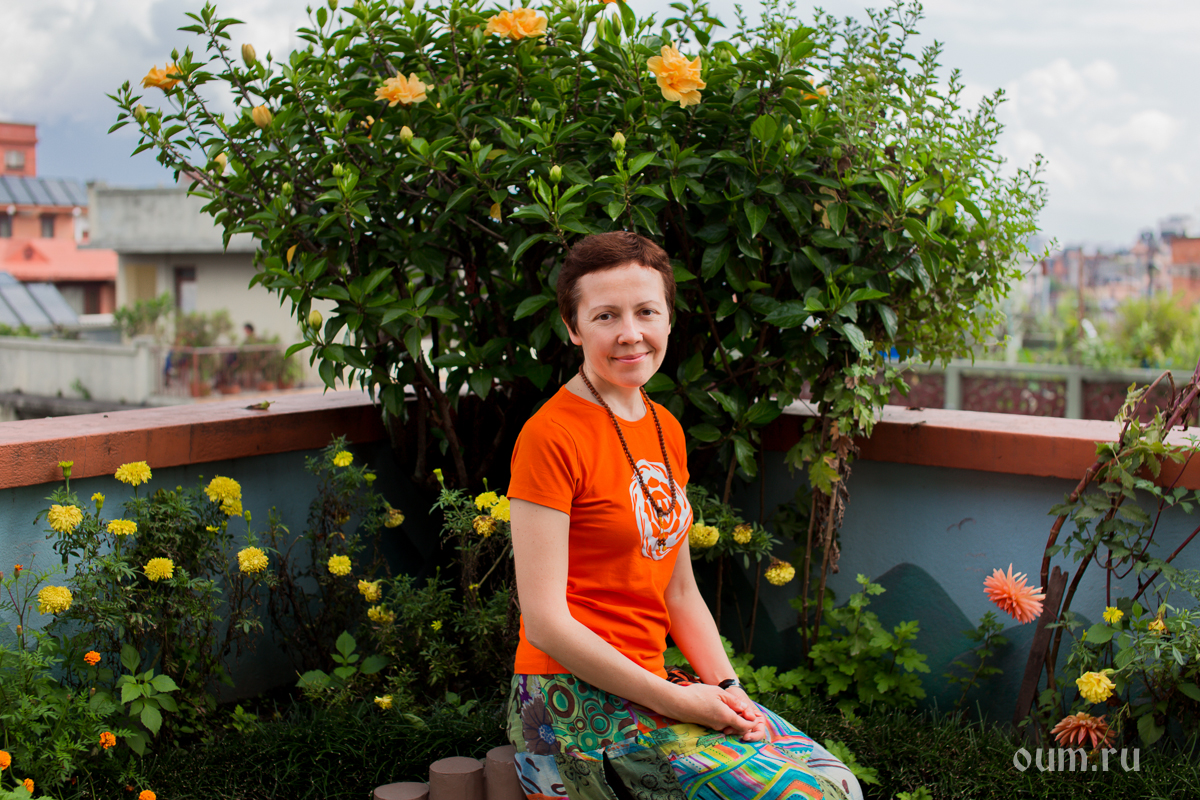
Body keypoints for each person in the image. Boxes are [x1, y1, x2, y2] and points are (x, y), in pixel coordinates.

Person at [505, 232, 863, 800]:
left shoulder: (664, 427)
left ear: (669, 319)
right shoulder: (550, 436)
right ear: (573, 327)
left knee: (839, 782)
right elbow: (546, 622)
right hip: (567, 706)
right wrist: (679, 700)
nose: (630, 333)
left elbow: (678, 591)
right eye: (605, 315)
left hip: (651, 685)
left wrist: (728, 688)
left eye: (646, 311)